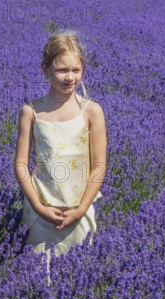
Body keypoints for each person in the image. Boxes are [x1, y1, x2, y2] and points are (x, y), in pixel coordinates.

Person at [14, 29, 107, 285]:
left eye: (76, 70)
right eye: (62, 70)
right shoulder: (31, 111)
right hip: (41, 212)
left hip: (79, 211)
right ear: (45, 69)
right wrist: (38, 206)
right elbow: (21, 164)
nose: (70, 78)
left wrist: (81, 209)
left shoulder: (92, 112)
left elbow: (99, 166)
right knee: (37, 281)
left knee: (79, 281)